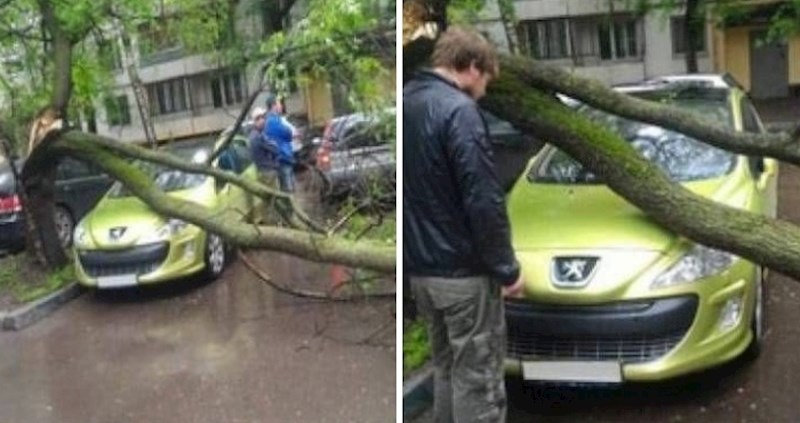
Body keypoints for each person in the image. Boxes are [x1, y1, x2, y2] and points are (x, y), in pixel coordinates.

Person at [404, 26, 525, 423]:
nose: (484, 91)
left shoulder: (407, 102)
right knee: (478, 379)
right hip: (464, 276)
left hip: (422, 273)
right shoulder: (460, 112)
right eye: (486, 79)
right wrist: (507, 270)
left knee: (446, 368)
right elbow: (484, 200)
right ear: (471, 66)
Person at [263, 94, 296, 193]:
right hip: (283, 160)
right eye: (279, 103)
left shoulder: (276, 119)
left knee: (290, 190)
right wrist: (289, 133)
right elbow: (288, 133)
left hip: (286, 159)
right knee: (288, 192)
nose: (281, 105)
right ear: (273, 106)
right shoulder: (272, 121)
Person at [248, 106, 279, 188]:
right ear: (257, 120)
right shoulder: (258, 137)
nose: (264, 121)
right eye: (263, 118)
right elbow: (275, 149)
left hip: (261, 171)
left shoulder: (253, 135)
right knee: (274, 197)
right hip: (268, 172)